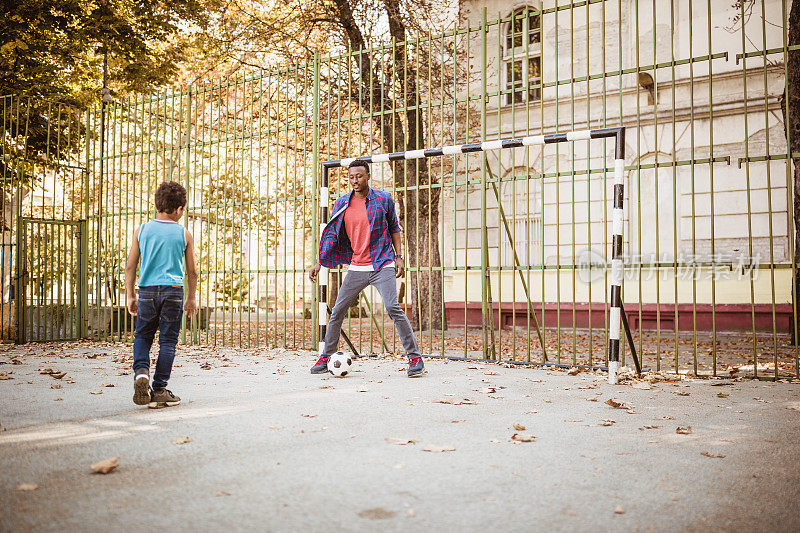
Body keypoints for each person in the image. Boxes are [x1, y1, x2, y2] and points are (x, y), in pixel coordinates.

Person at [309, 160, 424, 377]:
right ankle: (326, 355)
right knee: (337, 312)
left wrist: (398, 257)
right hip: (357, 266)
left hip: (382, 263)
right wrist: (320, 262)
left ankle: (415, 357)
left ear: (367, 176)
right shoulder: (342, 203)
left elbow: (394, 229)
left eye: (359, 176)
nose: (355, 181)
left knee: (393, 308)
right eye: (351, 177)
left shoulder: (384, 199)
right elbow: (332, 237)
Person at [125, 181, 198, 408]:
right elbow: (192, 272)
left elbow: (130, 266)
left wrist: (130, 295)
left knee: (143, 336)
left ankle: (141, 373)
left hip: (146, 290)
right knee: (167, 341)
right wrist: (191, 298)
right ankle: (159, 390)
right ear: (178, 209)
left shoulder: (142, 230)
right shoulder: (183, 234)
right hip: (173, 292)